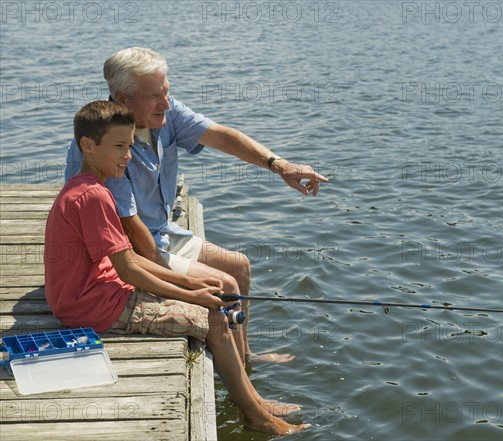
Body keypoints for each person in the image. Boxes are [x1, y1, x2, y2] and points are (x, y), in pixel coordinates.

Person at [45, 101, 310, 435]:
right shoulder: (93, 197)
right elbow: (128, 270)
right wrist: (195, 295)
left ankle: (254, 399)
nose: (127, 156)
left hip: (97, 291)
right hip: (92, 306)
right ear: (87, 146)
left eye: (129, 146)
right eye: (118, 147)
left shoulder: (87, 187)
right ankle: (254, 414)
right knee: (215, 319)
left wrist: (191, 287)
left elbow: (131, 260)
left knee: (215, 299)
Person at [64, 47, 329, 365]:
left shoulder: (164, 111)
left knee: (238, 265)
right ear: (122, 97)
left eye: (167, 91)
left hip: (160, 231)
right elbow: (132, 236)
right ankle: (241, 384)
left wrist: (278, 164)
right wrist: (186, 284)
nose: (166, 102)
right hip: (127, 252)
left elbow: (220, 135)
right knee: (224, 285)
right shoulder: (109, 148)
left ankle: (244, 358)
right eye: (154, 96)